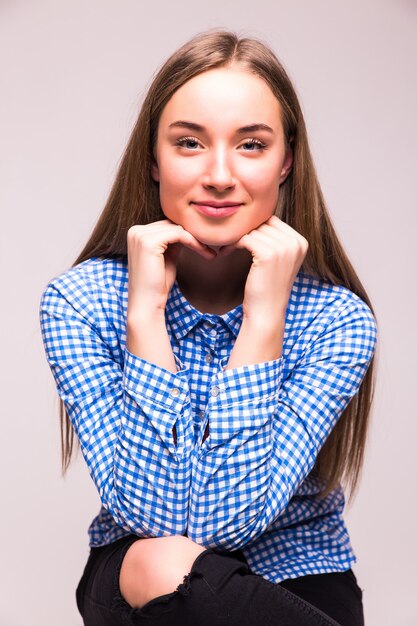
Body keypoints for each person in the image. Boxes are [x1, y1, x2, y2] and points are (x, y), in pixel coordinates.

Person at [39, 30, 377, 626]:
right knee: (165, 561)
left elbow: (228, 525)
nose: (220, 175)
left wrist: (264, 319)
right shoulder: (82, 302)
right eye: (190, 142)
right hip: (143, 577)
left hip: (297, 578)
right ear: (153, 157)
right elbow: (159, 525)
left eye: (251, 145)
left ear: (287, 160)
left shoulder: (337, 320)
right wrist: (145, 316)